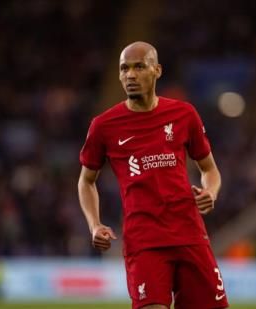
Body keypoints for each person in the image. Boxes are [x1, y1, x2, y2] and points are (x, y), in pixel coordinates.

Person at [78, 41, 229, 309]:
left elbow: (210, 169)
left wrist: (210, 192)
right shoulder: (103, 126)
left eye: (139, 67)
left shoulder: (184, 114)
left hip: (190, 235)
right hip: (144, 241)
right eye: (124, 69)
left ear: (157, 70)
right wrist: (94, 224)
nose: (130, 75)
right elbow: (86, 181)